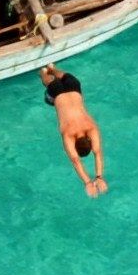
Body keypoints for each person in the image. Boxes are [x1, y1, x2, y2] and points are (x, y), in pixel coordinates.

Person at [39, 62, 106, 197]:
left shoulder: (91, 128)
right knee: (46, 81)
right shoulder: (69, 135)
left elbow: (98, 152)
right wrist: (87, 182)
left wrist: (99, 176)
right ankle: (43, 72)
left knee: (64, 76)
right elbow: (76, 161)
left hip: (74, 87)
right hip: (56, 92)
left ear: (89, 139)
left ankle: (52, 69)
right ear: (75, 145)